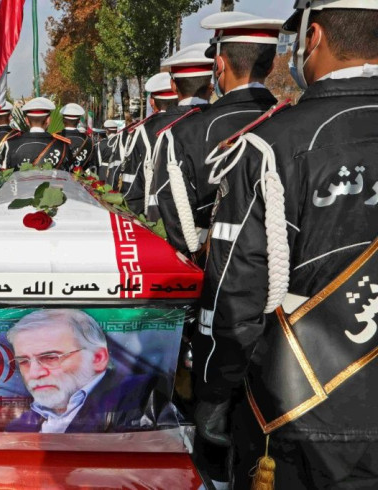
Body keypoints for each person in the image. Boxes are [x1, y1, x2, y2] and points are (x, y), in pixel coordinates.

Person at [192, 1, 378, 488]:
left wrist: (213, 397)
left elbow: (237, 301)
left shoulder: (268, 146)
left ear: (312, 37)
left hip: (306, 424)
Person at [152, 12, 282, 258]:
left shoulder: (185, 133)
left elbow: (172, 214)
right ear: (273, 65)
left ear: (219, 65)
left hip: (210, 265)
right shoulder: (291, 120)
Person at [5, 310, 154, 433]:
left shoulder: (143, 396)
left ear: (98, 358)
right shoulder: (18, 428)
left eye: (50, 358)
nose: (34, 373)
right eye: (23, 361)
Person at [117, 60, 209, 215]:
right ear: (210, 86)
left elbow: (132, 189)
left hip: (162, 222)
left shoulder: (145, 130)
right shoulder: (223, 120)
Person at [145, 43, 213, 223]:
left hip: (180, 235)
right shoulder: (226, 121)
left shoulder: (152, 131)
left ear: (174, 86)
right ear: (211, 86)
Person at [114, 72, 178, 204]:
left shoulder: (142, 131)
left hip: (155, 209)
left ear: (152, 101)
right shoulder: (198, 121)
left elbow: (131, 182)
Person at [3, 97, 72, 170]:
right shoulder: (62, 145)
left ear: (26, 120)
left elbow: (4, 174)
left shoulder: (11, 144)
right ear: (48, 120)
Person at [59, 103, 94, 170]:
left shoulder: (55, 137)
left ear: (63, 120)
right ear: (78, 121)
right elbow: (91, 164)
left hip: (59, 179)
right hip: (80, 179)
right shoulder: (87, 140)